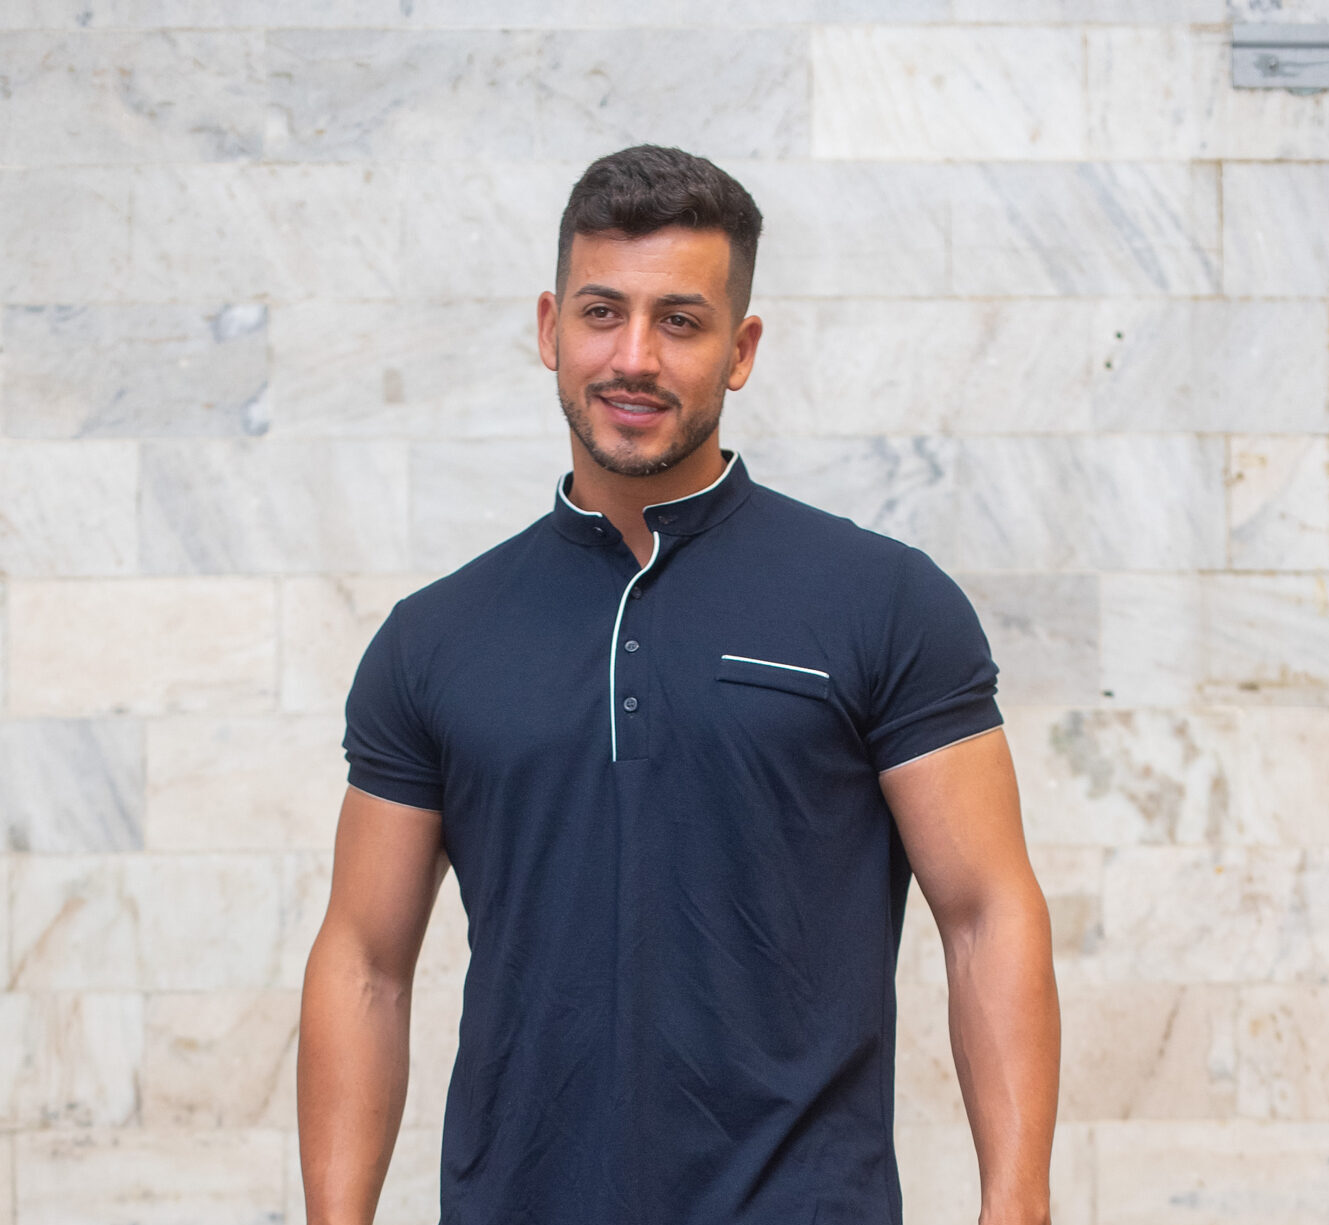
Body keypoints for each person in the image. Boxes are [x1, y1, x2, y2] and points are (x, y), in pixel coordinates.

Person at [296, 144, 1060, 1225]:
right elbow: (364, 961)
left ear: (739, 350)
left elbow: (985, 912)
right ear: (549, 328)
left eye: (681, 321)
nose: (634, 357)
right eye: (602, 313)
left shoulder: (882, 601)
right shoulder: (434, 639)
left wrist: (1016, 1206)